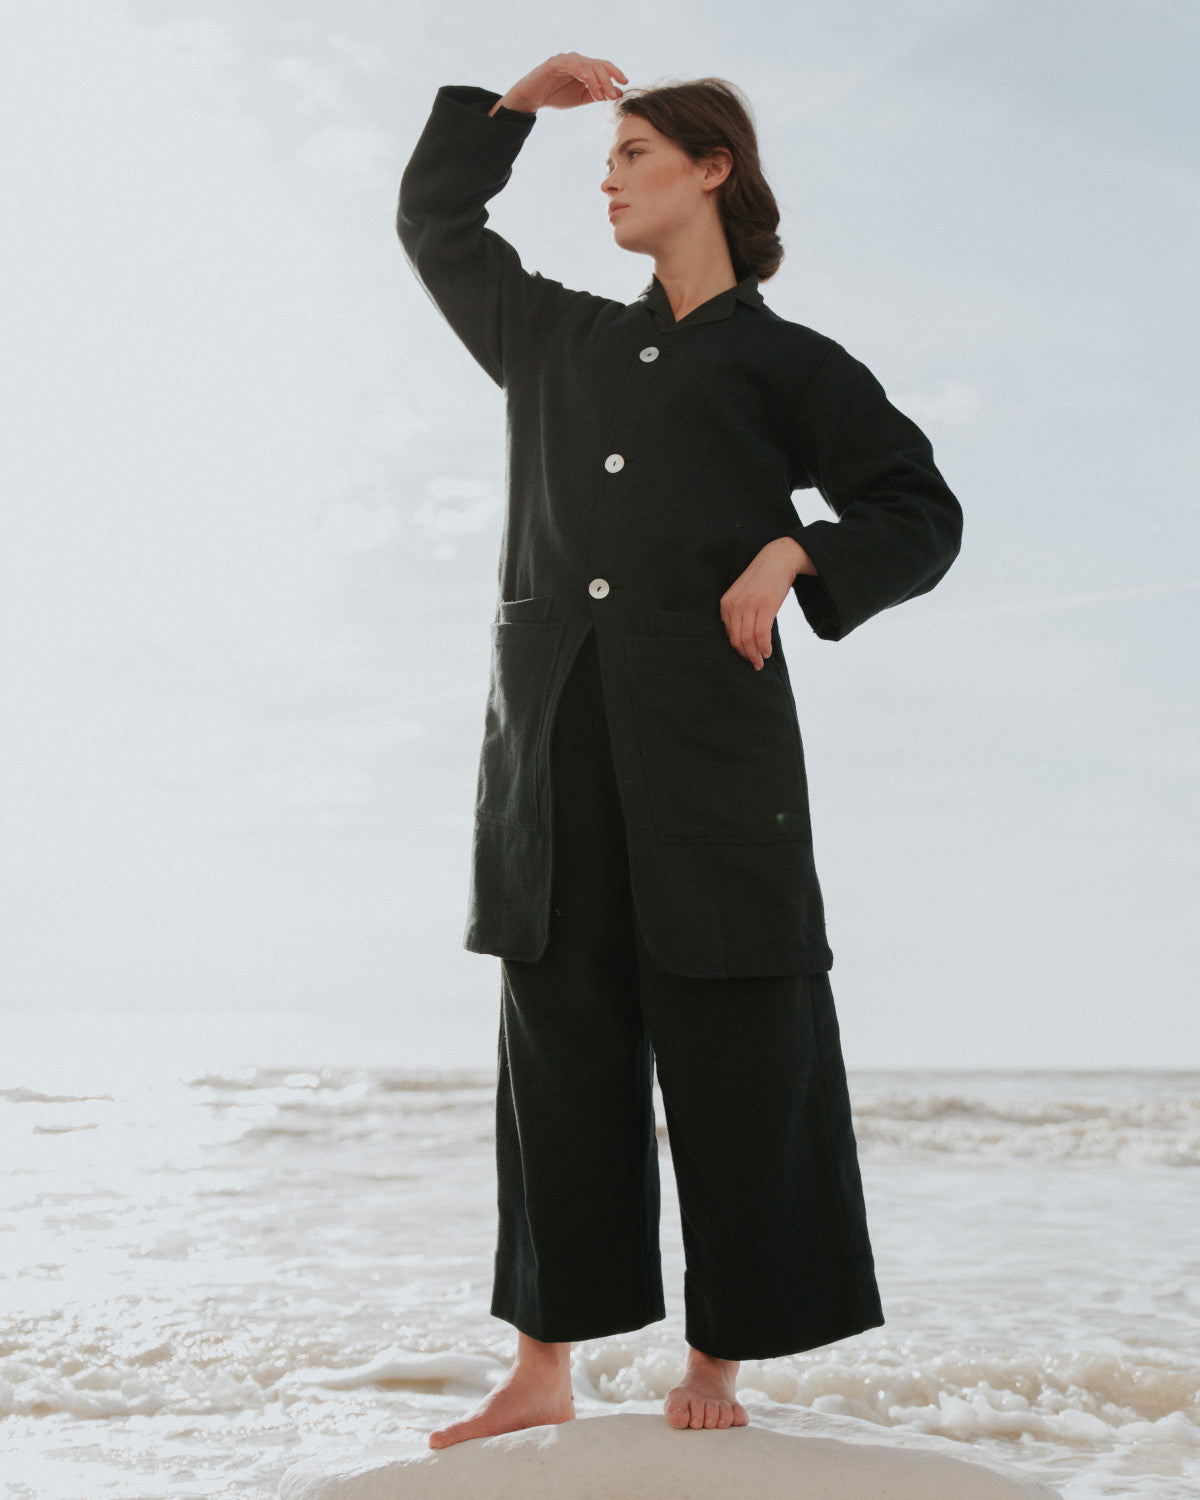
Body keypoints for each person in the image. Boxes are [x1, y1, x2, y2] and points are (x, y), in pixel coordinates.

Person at [396, 51, 962, 1449]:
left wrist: (799, 554)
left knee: (739, 1035)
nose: (610, 176)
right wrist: (512, 112)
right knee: (560, 1042)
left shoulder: (790, 365)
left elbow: (920, 509)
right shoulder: (555, 339)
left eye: (635, 154)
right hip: (558, 743)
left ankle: (719, 1358)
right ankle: (543, 1363)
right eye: (606, 158)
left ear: (713, 170)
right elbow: (438, 228)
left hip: (714, 757)